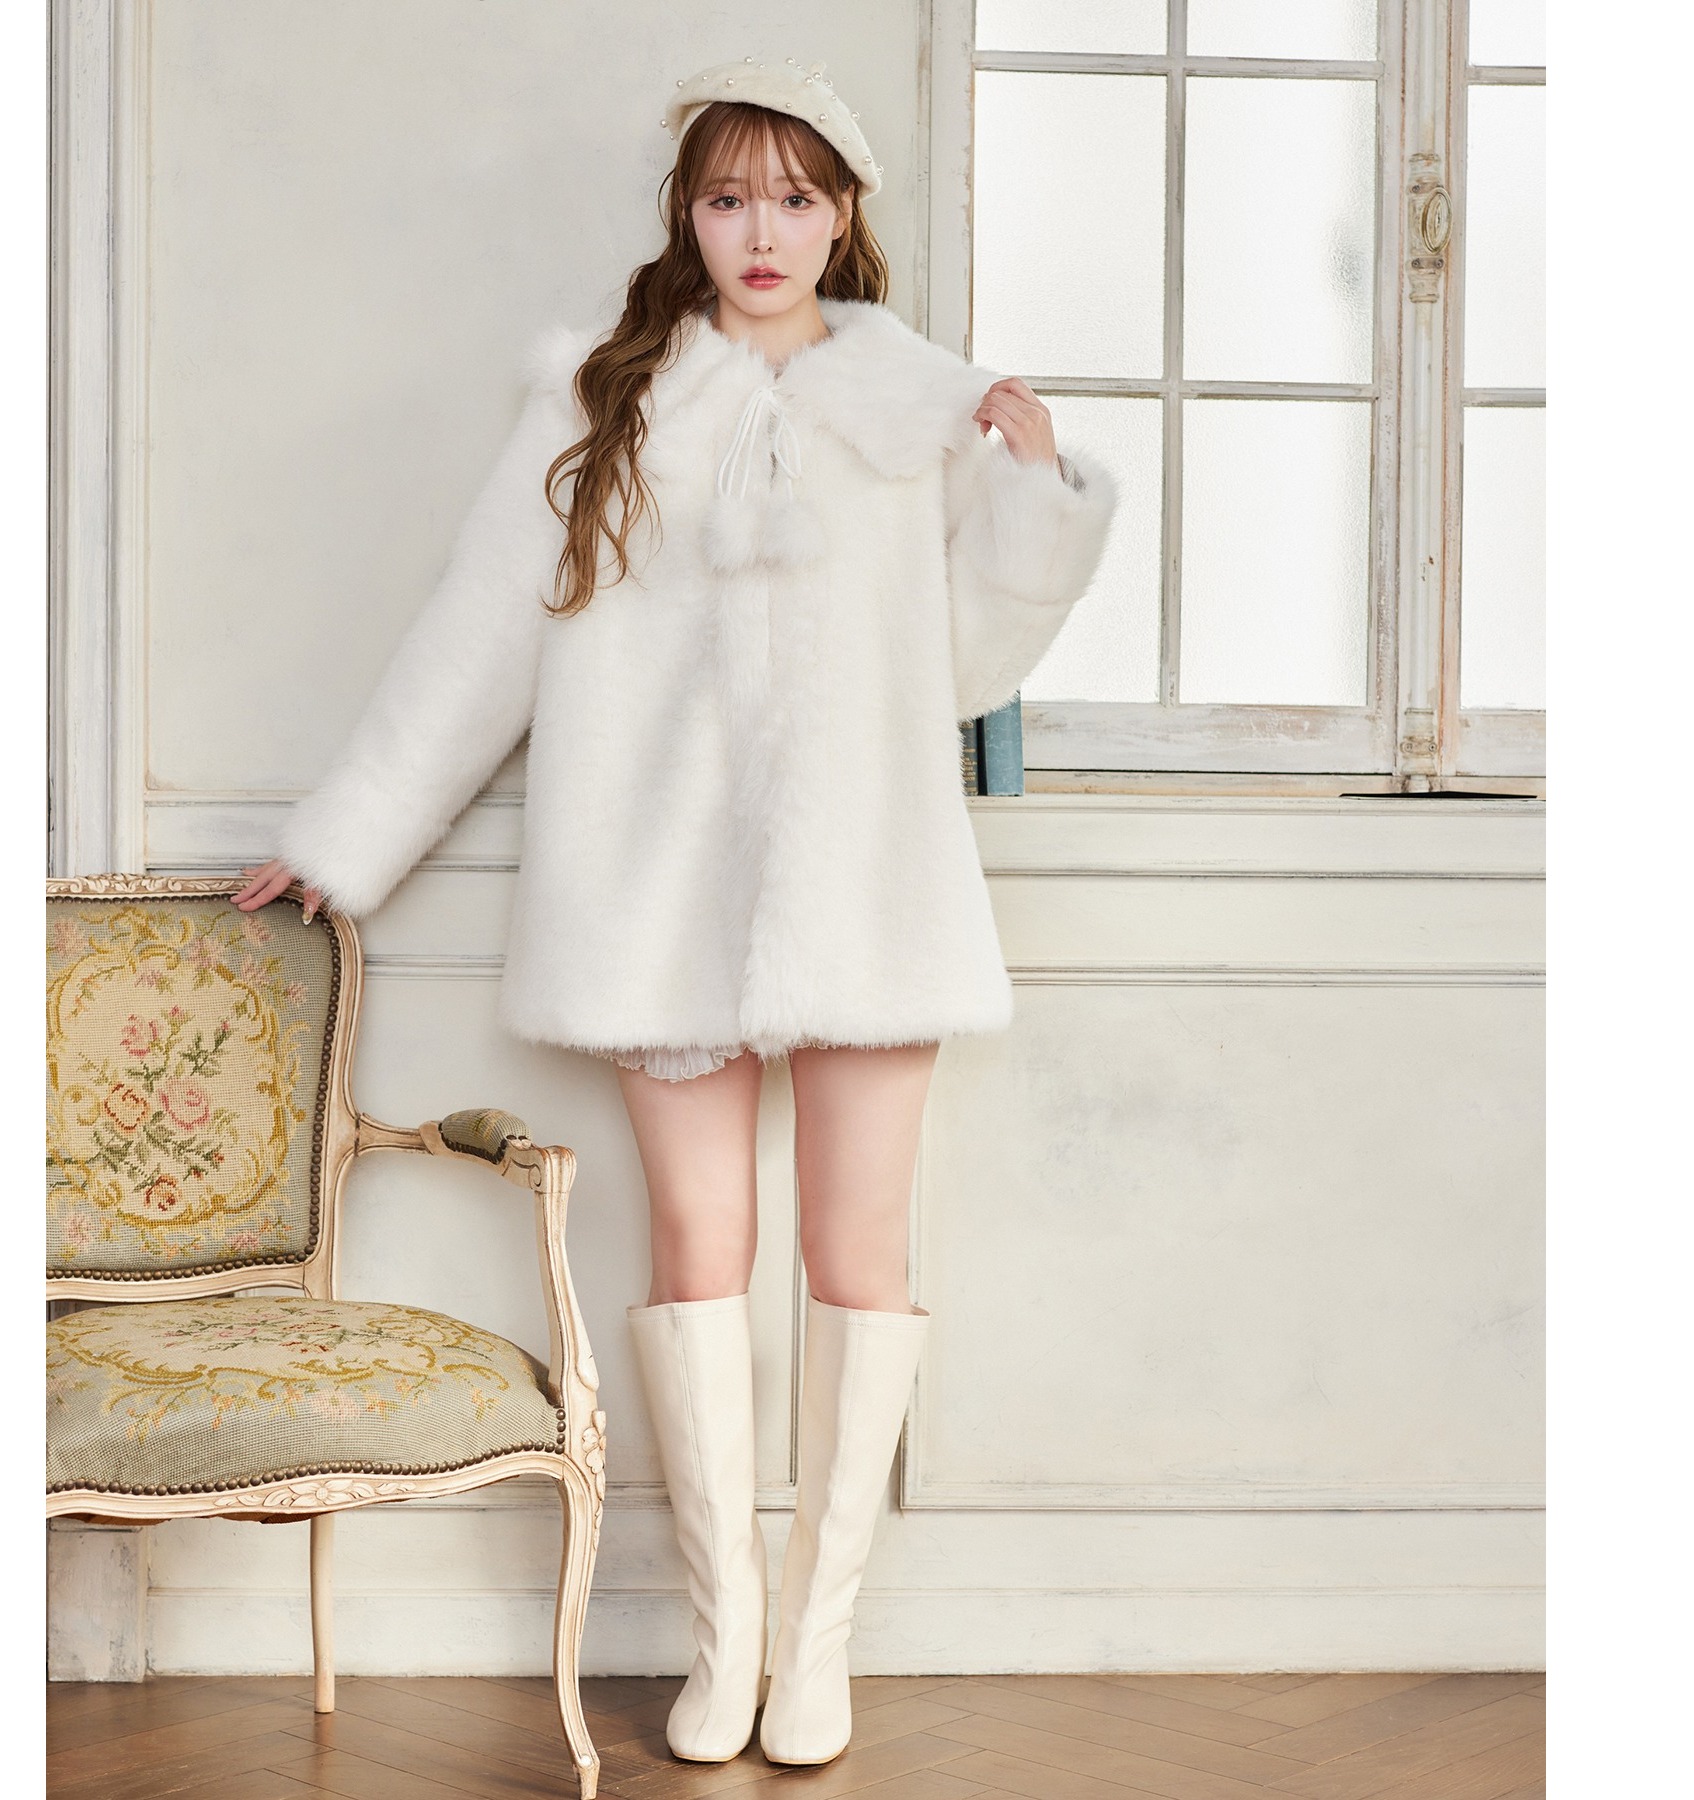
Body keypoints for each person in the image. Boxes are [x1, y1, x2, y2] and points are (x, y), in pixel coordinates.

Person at [235, 55, 1115, 1768]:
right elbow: (482, 635)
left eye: (794, 197)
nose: (760, 231)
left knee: (862, 1262)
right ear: (687, 216)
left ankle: (817, 1651)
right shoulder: (605, 399)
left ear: (845, 215)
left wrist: (1033, 494)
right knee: (698, 1253)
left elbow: (963, 668)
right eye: (728, 199)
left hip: (870, 885)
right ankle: (728, 1645)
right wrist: (343, 843)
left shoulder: (920, 410)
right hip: (655, 892)